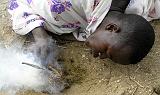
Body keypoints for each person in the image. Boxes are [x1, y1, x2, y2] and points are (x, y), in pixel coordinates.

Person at [8, 0, 159, 66]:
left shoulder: (143, 7)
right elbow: (18, 3)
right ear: (111, 28)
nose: (101, 57)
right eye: (107, 51)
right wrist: (40, 36)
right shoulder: (62, 6)